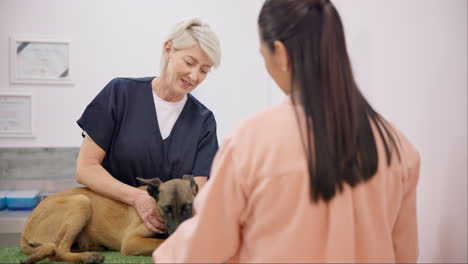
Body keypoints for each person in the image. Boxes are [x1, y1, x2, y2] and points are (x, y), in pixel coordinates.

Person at [152, 0, 420, 263]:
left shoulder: (252, 141)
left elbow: (201, 247)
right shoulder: (398, 148)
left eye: (263, 53)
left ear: (280, 52)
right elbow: (405, 255)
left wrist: (164, 253)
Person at [75, 17, 221, 234]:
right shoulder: (119, 94)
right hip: (107, 229)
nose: (194, 76)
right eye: (190, 63)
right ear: (168, 49)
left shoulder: (203, 121)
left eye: (204, 70)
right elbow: (85, 169)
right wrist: (136, 197)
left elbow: (197, 190)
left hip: (165, 234)